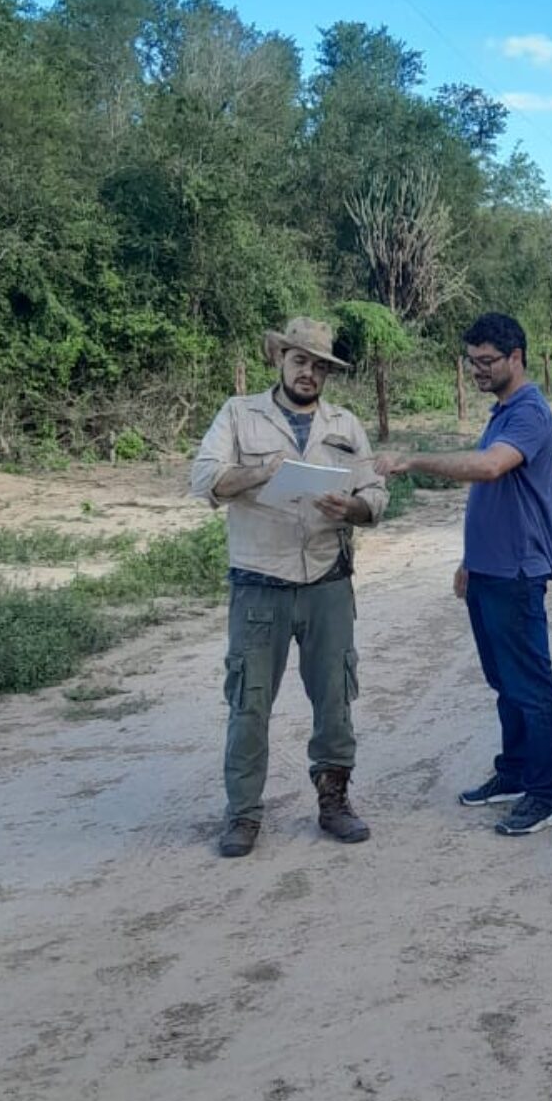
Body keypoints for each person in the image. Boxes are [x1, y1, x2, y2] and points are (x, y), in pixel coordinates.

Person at [190, 316, 387, 857]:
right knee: (250, 702)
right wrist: (263, 472)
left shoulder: (345, 424)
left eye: (320, 365)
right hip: (260, 583)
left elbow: (375, 491)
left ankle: (335, 803)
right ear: (278, 359)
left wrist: (356, 507)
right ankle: (243, 815)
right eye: (300, 360)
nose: (309, 372)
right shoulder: (237, 415)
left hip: (328, 579)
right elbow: (204, 480)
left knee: (334, 698)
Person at [374, 312, 552, 836]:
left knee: (532, 687)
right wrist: (469, 561)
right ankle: (515, 776)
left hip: (518, 573)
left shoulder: (530, 412)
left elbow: (488, 469)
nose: (478, 370)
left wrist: (413, 462)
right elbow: (495, 500)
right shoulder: (501, 410)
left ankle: (546, 796)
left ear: (516, 358)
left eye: (487, 361)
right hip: (487, 571)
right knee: (505, 683)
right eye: (472, 361)